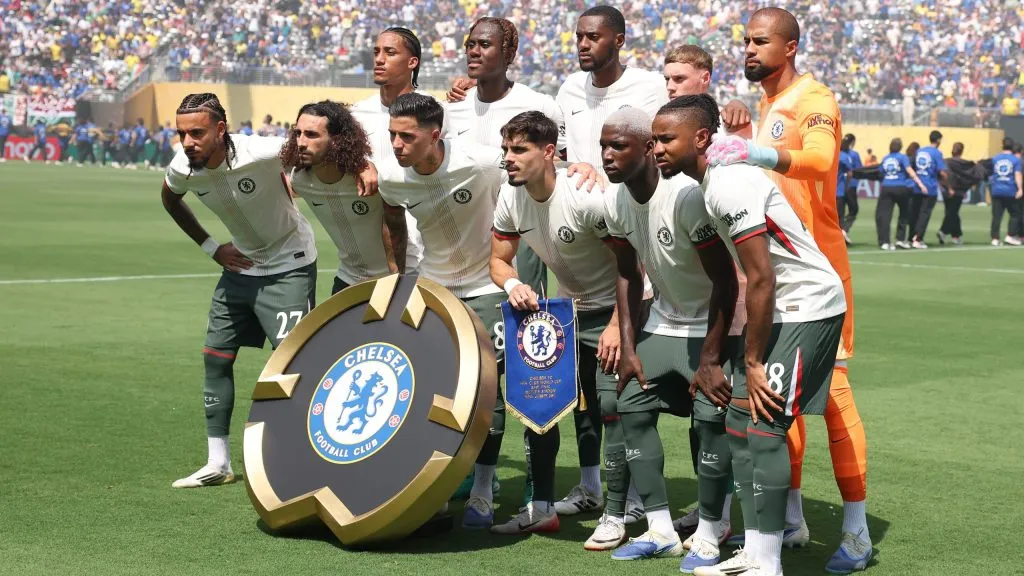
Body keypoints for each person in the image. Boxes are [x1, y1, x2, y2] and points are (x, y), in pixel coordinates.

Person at [704, 8, 871, 573]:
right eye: (745, 41)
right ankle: (792, 517)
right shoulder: (768, 105)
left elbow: (821, 160)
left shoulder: (814, 99)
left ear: (791, 47)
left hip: (821, 270)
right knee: (779, 399)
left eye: (760, 42)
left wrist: (754, 150)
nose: (748, 50)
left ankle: (856, 532)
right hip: (773, 276)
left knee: (834, 398)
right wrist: (747, 134)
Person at [658, 93, 846, 576]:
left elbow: (762, 277)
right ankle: (757, 552)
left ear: (701, 138)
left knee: (763, 430)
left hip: (807, 306)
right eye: (654, 139)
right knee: (740, 426)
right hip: (784, 310)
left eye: (665, 139)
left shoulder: (727, 185)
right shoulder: (709, 185)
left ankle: (767, 562)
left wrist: (755, 362)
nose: (656, 149)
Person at [598, 107, 739, 566]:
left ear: (646, 149)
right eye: (603, 146)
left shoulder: (685, 197)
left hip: (711, 327)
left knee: (711, 420)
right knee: (630, 405)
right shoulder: (616, 200)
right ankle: (659, 528)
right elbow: (626, 274)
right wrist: (629, 344)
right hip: (662, 322)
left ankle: (713, 529)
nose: (607, 155)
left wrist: (712, 358)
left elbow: (726, 280)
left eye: (618, 145)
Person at [161, 92, 318, 489]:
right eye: (182, 134)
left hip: (290, 266)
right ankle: (218, 463)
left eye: (197, 133)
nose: (188, 142)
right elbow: (169, 199)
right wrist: (212, 248)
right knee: (215, 358)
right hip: (240, 269)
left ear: (220, 128)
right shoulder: (183, 167)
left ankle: (307, 459)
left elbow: (310, 146)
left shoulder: (261, 151)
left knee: (294, 368)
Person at [552, 3, 668, 523]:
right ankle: (591, 485)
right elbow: (553, 149)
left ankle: (642, 495)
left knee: (627, 380)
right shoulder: (567, 92)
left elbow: (678, 126)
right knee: (583, 382)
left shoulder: (647, 87)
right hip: (579, 235)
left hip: (630, 228)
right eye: (578, 36)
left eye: (593, 37)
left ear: (618, 40)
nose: (582, 44)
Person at [488, 111, 621, 538]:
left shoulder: (584, 195)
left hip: (616, 310)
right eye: (506, 149)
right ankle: (543, 506)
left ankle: (623, 511)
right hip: (567, 312)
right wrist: (512, 285)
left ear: (549, 153)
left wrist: (619, 325)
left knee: (612, 409)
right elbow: (497, 260)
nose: (509, 158)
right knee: (541, 403)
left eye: (519, 149)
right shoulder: (510, 197)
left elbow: (631, 267)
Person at [659, 42, 746, 547]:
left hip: (730, 291)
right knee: (702, 407)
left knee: (723, 409)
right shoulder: (667, 135)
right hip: (690, 291)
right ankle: (714, 506)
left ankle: (732, 516)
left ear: (705, 78)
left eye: (679, 78)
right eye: (667, 78)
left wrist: (742, 124)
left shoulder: (731, 129)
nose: (670, 85)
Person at [283, 100, 398, 293]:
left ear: (337, 140)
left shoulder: (371, 178)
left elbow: (396, 225)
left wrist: (397, 279)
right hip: (347, 280)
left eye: (311, 135)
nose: (301, 142)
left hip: (391, 280)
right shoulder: (300, 180)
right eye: (298, 133)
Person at [350, 27, 435, 277]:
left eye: (389, 52)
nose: (379, 59)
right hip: (370, 249)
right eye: (376, 52)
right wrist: (359, 163)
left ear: (412, 62)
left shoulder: (435, 113)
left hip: (424, 249)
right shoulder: (355, 115)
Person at [876, 138, 927, 251]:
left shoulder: (886, 158)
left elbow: (880, 173)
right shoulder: (902, 157)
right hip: (901, 187)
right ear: (900, 147)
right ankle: (900, 239)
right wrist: (920, 184)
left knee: (885, 215)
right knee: (904, 213)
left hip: (887, 187)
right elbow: (910, 171)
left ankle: (885, 242)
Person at [908, 130, 948, 249]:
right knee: (925, 214)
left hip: (917, 186)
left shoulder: (920, 151)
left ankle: (911, 237)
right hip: (929, 187)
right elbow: (941, 171)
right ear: (939, 140)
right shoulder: (937, 153)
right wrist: (946, 179)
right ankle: (918, 238)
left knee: (915, 213)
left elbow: (912, 166)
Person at [939, 142, 981, 245]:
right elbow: (972, 175)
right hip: (957, 191)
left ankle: (956, 236)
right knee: (952, 213)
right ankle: (943, 231)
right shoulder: (965, 164)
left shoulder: (945, 161)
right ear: (961, 151)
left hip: (945, 190)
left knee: (952, 212)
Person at [988, 137, 1023, 246]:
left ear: (1002, 145)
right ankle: (1010, 236)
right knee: (1015, 214)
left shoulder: (995, 158)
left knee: (996, 216)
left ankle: (995, 238)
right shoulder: (1015, 160)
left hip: (997, 190)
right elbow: (1017, 174)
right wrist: (1020, 189)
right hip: (1010, 190)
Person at [841, 134, 863, 244]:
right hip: (850, 185)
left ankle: (841, 231)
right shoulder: (854, 155)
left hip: (838, 186)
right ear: (853, 142)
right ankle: (843, 230)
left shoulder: (838, 153)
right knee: (853, 209)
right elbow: (858, 170)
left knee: (839, 211)